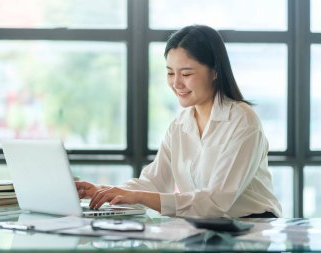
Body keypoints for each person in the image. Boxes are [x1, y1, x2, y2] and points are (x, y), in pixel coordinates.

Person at [76, 25, 282, 218]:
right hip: (206, 231)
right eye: (170, 73)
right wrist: (104, 192)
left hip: (253, 227)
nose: (176, 83)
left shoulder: (242, 120)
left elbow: (216, 201)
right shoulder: (180, 125)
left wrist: (138, 196)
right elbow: (153, 182)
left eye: (186, 73)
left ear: (215, 72)